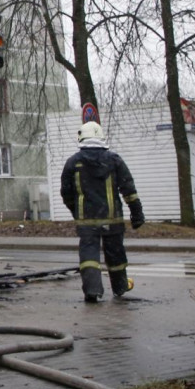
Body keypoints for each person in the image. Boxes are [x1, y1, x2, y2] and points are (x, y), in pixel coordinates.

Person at [61, 121, 144, 302]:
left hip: (86, 221)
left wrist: (76, 211)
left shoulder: (73, 163)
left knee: (89, 256)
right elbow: (128, 189)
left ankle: (92, 290)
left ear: (81, 138)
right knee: (115, 254)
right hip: (112, 219)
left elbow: (66, 193)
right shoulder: (114, 160)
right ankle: (120, 286)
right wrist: (137, 213)